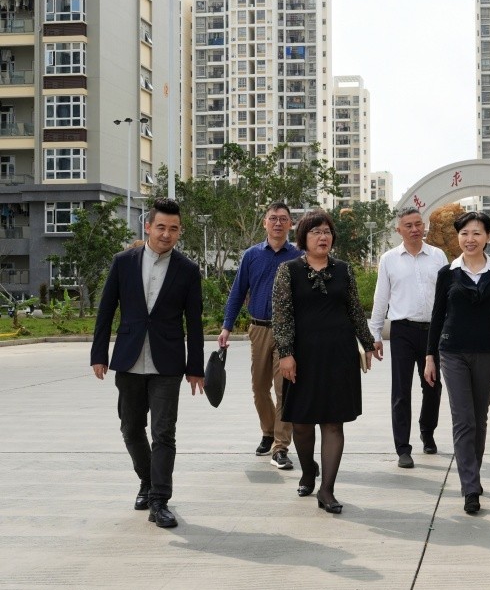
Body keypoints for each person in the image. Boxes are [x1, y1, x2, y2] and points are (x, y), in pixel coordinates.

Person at [90, 198, 205, 529]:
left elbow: (194, 323)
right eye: (161, 227)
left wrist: (195, 368)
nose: (166, 234)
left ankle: (159, 500)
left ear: (180, 231)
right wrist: (99, 354)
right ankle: (147, 480)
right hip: (128, 360)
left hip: (167, 364)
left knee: (163, 432)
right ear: (148, 226)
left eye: (173, 229)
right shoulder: (123, 262)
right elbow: (106, 310)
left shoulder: (187, 270)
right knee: (130, 428)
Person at [272, 210, 375, 514]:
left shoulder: (344, 270)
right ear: (303, 237)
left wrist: (368, 343)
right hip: (302, 357)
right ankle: (308, 471)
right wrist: (285, 353)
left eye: (327, 231)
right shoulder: (288, 271)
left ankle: (327, 490)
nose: (323, 237)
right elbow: (282, 316)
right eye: (316, 231)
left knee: (333, 422)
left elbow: (354, 309)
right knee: (302, 423)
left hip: (339, 355)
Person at [424, 211, 490, 515]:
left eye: (476, 233)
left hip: (487, 352)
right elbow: (437, 315)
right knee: (463, 419)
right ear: (458, 237)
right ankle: (470, 487)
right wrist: (430, 356)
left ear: (488, 236)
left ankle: (472, 473)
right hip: (452, 352)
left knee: (479, 418)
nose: (470, 239)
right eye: (464, 233)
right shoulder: (447, 274)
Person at [218, 202, 301, 471]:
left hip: (288, 332)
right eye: (273, 218)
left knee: (283, 388)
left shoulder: (298, 257)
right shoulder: (251, 255)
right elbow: (237, 292)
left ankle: (280, 446)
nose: (278, 223)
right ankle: (268, 431)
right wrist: (226, 326)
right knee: (259, 387)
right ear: (265, 222)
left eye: (283, 219)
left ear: (290, 224)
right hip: (259, 329)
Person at [369, 208, 448, 469]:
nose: (414, 229)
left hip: (433, 331)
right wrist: (375, 333)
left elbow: (447, 295)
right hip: (402, 331)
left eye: (418, 224)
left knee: (433, 385)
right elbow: (381, 297)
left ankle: (427, 431)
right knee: (401, 391)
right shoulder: (389, 259)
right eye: (408, 225)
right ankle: (403, 447)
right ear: (399, 230)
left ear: (423, 226)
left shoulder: (437, 256)